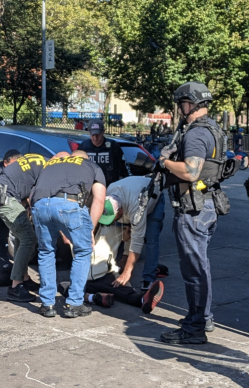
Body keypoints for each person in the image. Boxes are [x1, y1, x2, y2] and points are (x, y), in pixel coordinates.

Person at [158, 81, 228, 344]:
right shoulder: (214, 129)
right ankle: (204, 317)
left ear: (190, 104)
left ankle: (194, 329)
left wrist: (165, 162)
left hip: (193, 209)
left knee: (194, 272)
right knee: (201, 267)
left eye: (181, 104)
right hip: (207, 205)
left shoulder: (196, 134)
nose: (179, 110)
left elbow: (191, 171)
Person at [60, 175, 166, 312]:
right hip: (85, 278)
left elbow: (135, 239)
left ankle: (143, 297)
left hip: (106, 275)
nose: (105, 222)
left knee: (150, 239)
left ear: (120, 211)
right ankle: (95, 298)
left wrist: (126, 271)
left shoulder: (128, 216)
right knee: (64, 286)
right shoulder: (84, 228)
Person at [30, 150, 106, 318]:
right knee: (83, 250)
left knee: (46, 251)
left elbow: (32, 194)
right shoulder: (91, 165)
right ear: (84, 159)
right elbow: (99, 200)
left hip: (40, 205)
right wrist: (90, 229)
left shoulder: (50, 164)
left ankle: (47, 304)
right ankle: (74, 303)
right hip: (69, 204)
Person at [0, 152, 48, 303]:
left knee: (22, 237)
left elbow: (25, 184)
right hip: (4, 195)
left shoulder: (40, 160)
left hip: (0, 192)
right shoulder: (48, 168)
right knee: (28, 239)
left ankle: (24, 278)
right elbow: (37, 195)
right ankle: (15, 286)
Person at [79, 119, 129, 186]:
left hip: (110, 187)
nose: (95, 138)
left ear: (103, 132)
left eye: (97, 135)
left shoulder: (113, 146)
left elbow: (124, 168)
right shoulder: (84, 146)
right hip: (90, 187)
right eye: (93, 135)